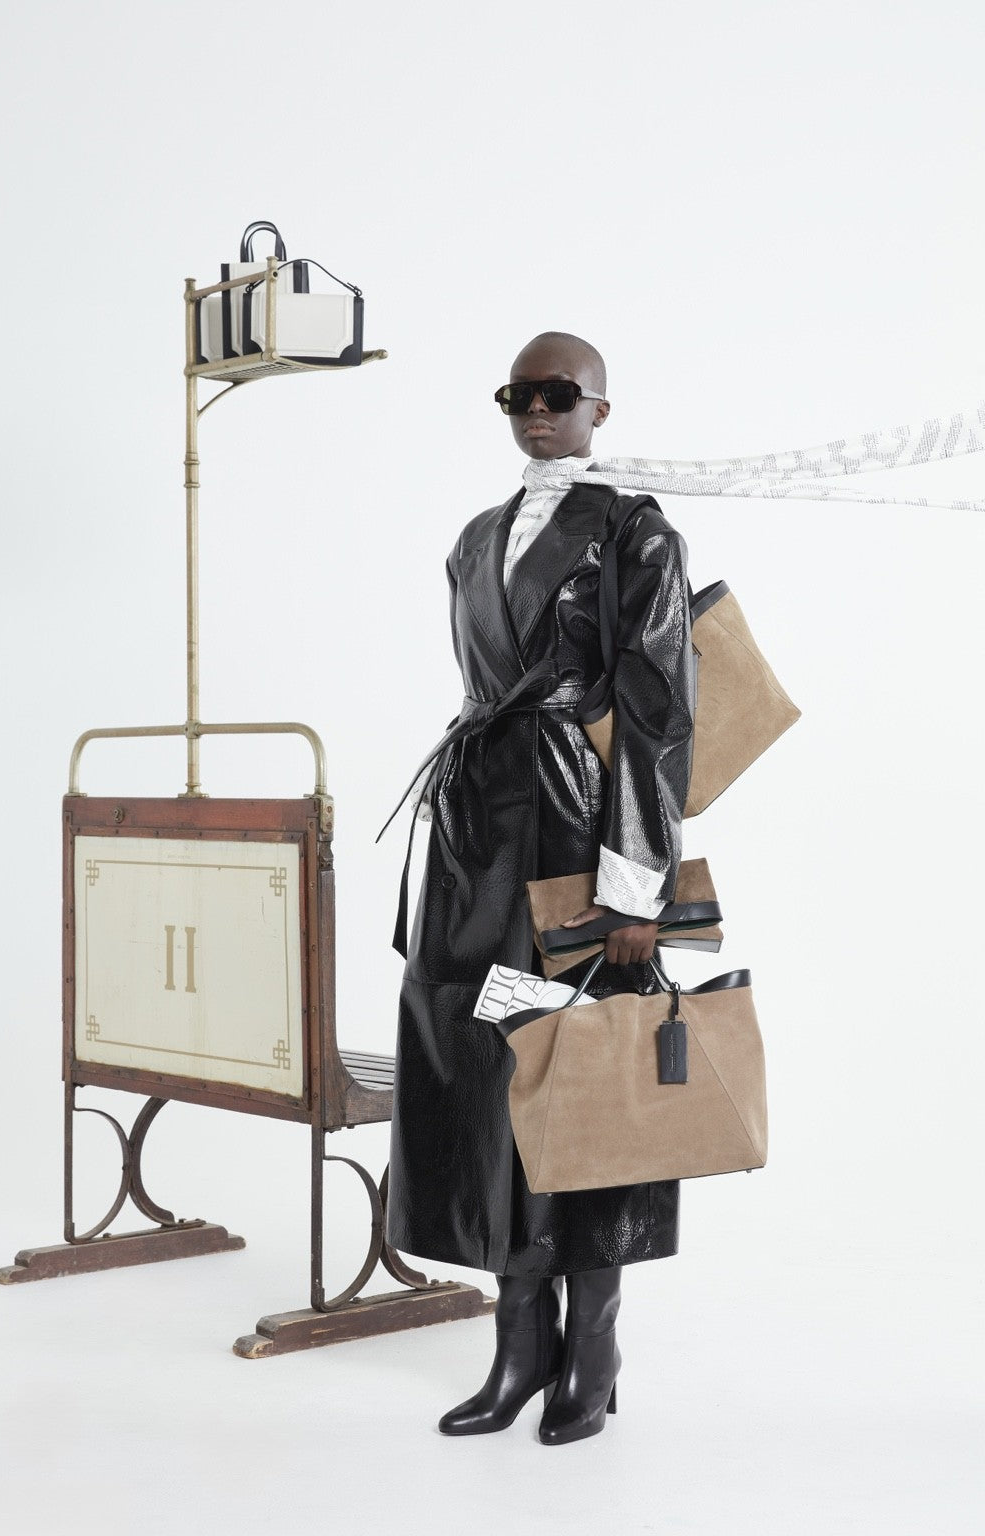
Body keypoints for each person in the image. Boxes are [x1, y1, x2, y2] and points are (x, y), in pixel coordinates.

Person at [382, 331, 695, 1445]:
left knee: (583, 1080)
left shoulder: (633, 531)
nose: (537, 409)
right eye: (518, 393)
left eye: (560, 393)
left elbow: (657, 710)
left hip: (575, 834)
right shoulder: (475, 539)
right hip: (476, 835)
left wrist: (635, 888)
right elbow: (484, 685)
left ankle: (592, 1350)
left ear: (600, 409)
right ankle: (520, 1346)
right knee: (489, 1078)